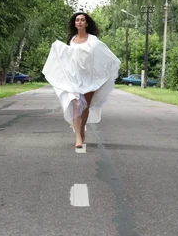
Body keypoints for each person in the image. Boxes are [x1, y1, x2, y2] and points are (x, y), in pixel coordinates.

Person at [42, 12, 120, 149]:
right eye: (77, 20)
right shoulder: (71, 41)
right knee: (77, 104)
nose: (79, 22)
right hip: (74, 78)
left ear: (87, 23)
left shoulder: (93, 40)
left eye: (82, 20)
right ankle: (78, 136)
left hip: (89, 78)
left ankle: (82, 127)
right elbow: (67, 58)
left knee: (85, 107)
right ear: (74, 23)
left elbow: (101, 55)